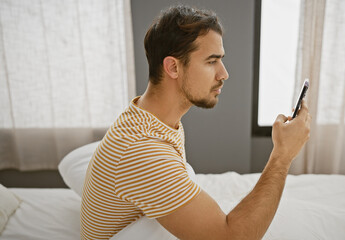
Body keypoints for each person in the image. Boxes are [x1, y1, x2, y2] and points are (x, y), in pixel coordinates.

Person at [81, 5, 311, 240]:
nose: (224, 73)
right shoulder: (143, 150)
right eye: (212, 61)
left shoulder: (148, 117)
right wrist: (282, 156)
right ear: (173, 67)